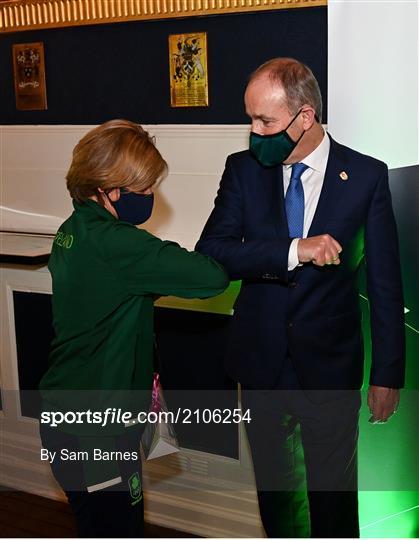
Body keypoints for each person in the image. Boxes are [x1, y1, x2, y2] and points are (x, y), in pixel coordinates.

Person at [195, 58, 405, 538]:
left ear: (304, 117)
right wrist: (293, 250)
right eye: (250, 119)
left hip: (330, 370)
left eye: (264, 122)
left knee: (333, 509)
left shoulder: (367, 177)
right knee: (278, 506)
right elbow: (215, 253)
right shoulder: (242, 171)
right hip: (260, 365)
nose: (253, 132)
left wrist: (388, 374)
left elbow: (387, 286)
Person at [39, 119, 229, 538]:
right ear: (105, 188)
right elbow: (211, 277)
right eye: (142, 191)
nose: (149, 199)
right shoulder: (120, 244)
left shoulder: (72, 232)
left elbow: (108, 296)